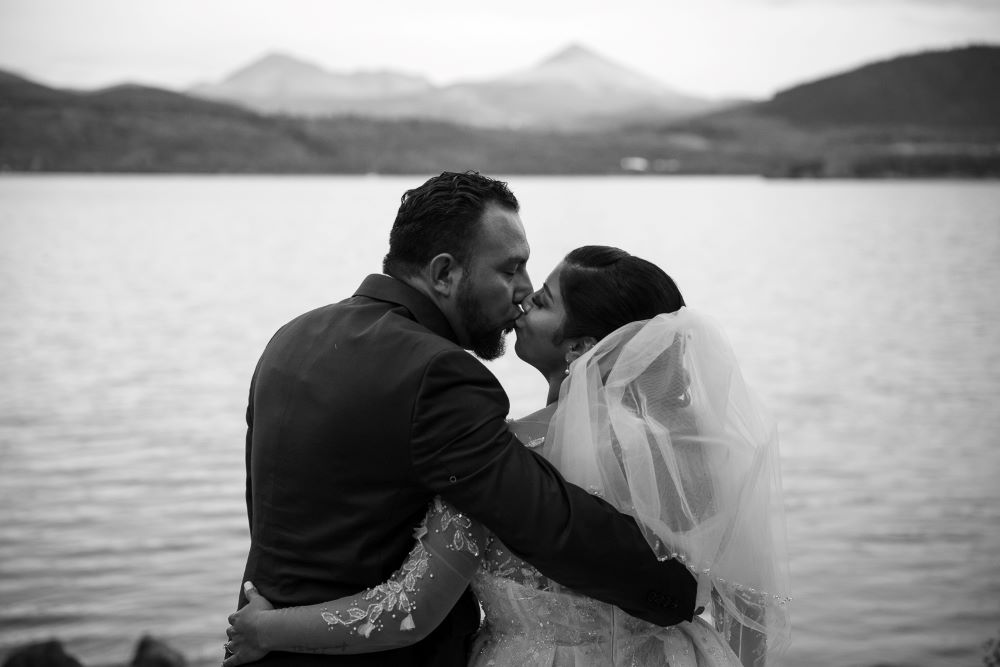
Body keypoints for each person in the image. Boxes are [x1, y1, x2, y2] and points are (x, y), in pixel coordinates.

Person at [224, 246, 791, 666]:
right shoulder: (699, 454)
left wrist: (266, 631)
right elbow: (749, 610)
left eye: (541, 300)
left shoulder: (504, 456)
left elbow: (407, 611)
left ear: (580, 348)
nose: (520, 302)